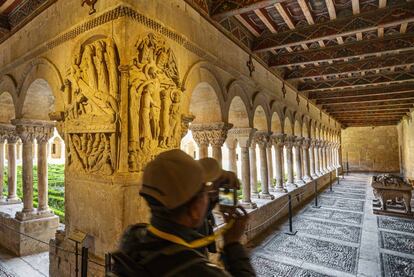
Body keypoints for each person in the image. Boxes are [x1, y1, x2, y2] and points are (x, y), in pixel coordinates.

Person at [110, 149, 256, 276]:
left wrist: (208, 196)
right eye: (204, 192)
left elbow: (185, 221)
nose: (209, 195)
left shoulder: (133, 237)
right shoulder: (199, 272)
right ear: (193, 211)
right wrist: (233, 245)